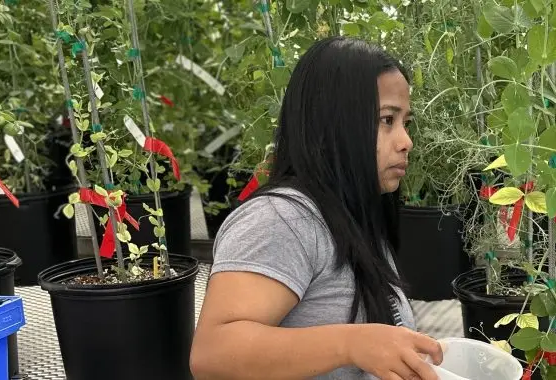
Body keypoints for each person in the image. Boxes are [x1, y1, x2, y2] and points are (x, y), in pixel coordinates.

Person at [189, 36, 444, 380]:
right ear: (334, 123)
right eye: (387, 120)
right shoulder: (281, 220)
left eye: (405, 123)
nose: (406, 141)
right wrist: (350, 344)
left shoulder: (352, 215)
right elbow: (213, 354)